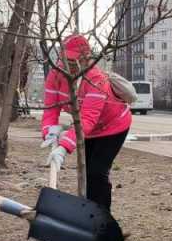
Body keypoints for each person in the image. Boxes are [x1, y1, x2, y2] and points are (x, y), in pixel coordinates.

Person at [41, 34, 131, 211]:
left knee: (97, 172)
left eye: (74, 60)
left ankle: (102, 218)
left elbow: (87, 118)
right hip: (88, 129)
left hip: (113, 127)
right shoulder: (55, 74)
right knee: (85, 172)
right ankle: (87, 213)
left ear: (85, 59)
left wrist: (64, 147)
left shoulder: (96, 79)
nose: (70, 65)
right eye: (66, 59)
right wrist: (49, 132)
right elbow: (51, 108)